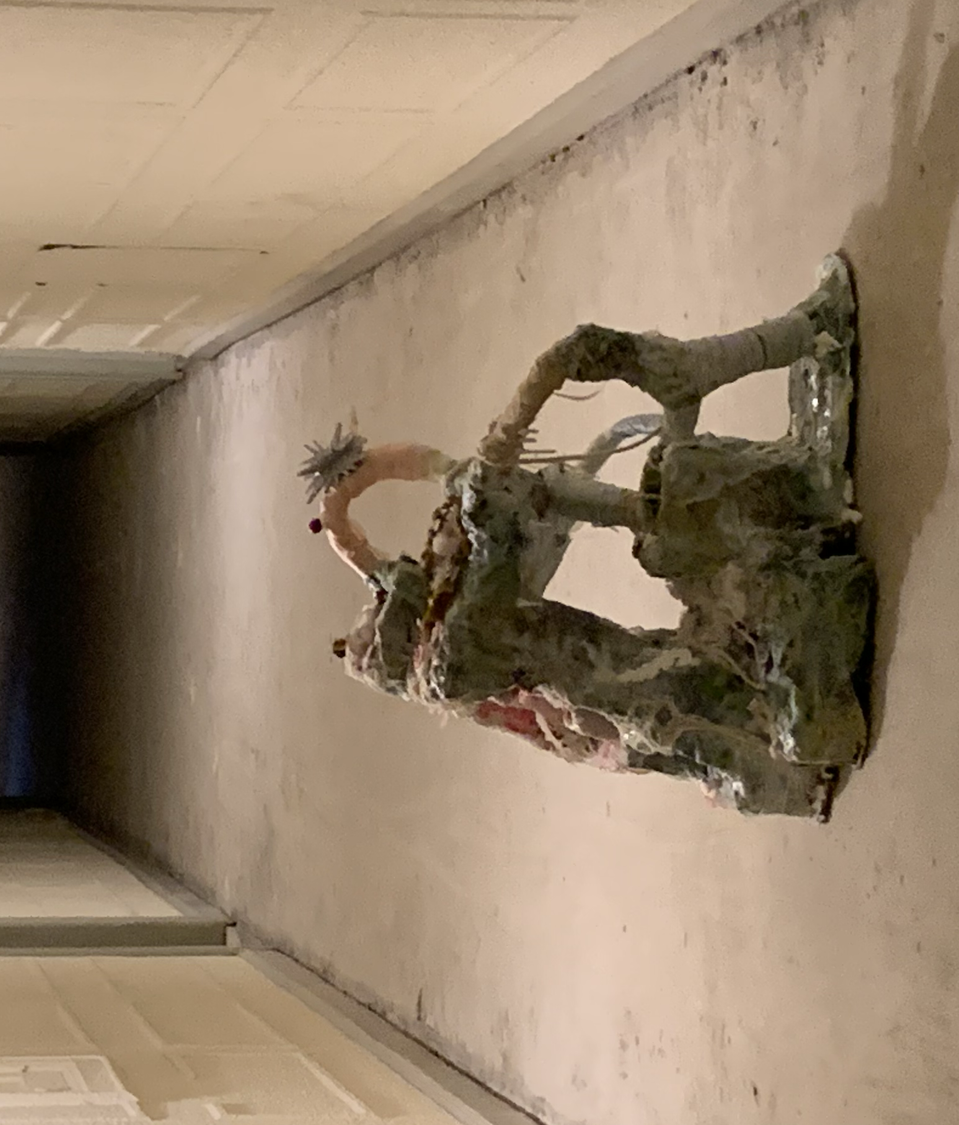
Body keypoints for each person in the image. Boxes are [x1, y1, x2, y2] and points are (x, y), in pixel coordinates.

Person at [301, 255, 872, 819]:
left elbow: (394, 562)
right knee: (687, 527)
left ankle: (788, 421)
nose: (382, 601)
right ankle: (798, 748)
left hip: (622, 680)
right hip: (635, 684)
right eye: (379, 617)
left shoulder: (435, 630)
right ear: (397, 638)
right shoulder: (453, 655)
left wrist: (355, 509)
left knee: (675, 516)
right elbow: (495, 549)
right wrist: (479, 492)